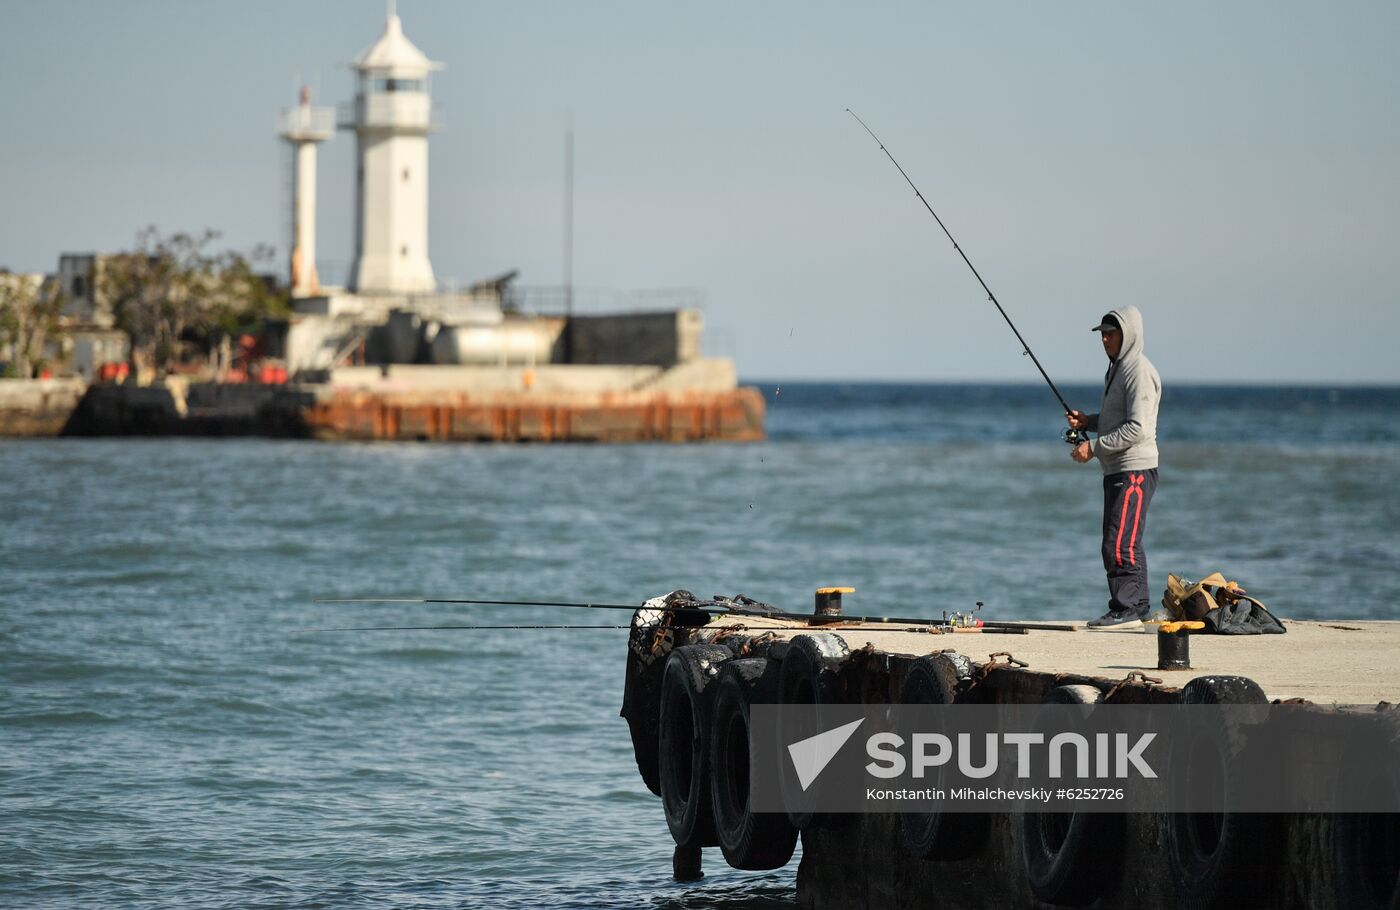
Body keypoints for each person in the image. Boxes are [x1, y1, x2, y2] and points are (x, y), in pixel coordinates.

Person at [1066, 306, 1162, 628]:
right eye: (1103, 335)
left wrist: (1092, 448)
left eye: (1112, 334)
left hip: (1133, 470)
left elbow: (1138, 429)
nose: (1106, 340)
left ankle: (1125, 609)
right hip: (1118, 470)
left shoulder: (1138, 372)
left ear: (1128, 335)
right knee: (1127, 538)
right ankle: (1139, 606)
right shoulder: (1117, 369)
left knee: (1119, 542)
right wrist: (1089, 422)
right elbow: (1115, 421)